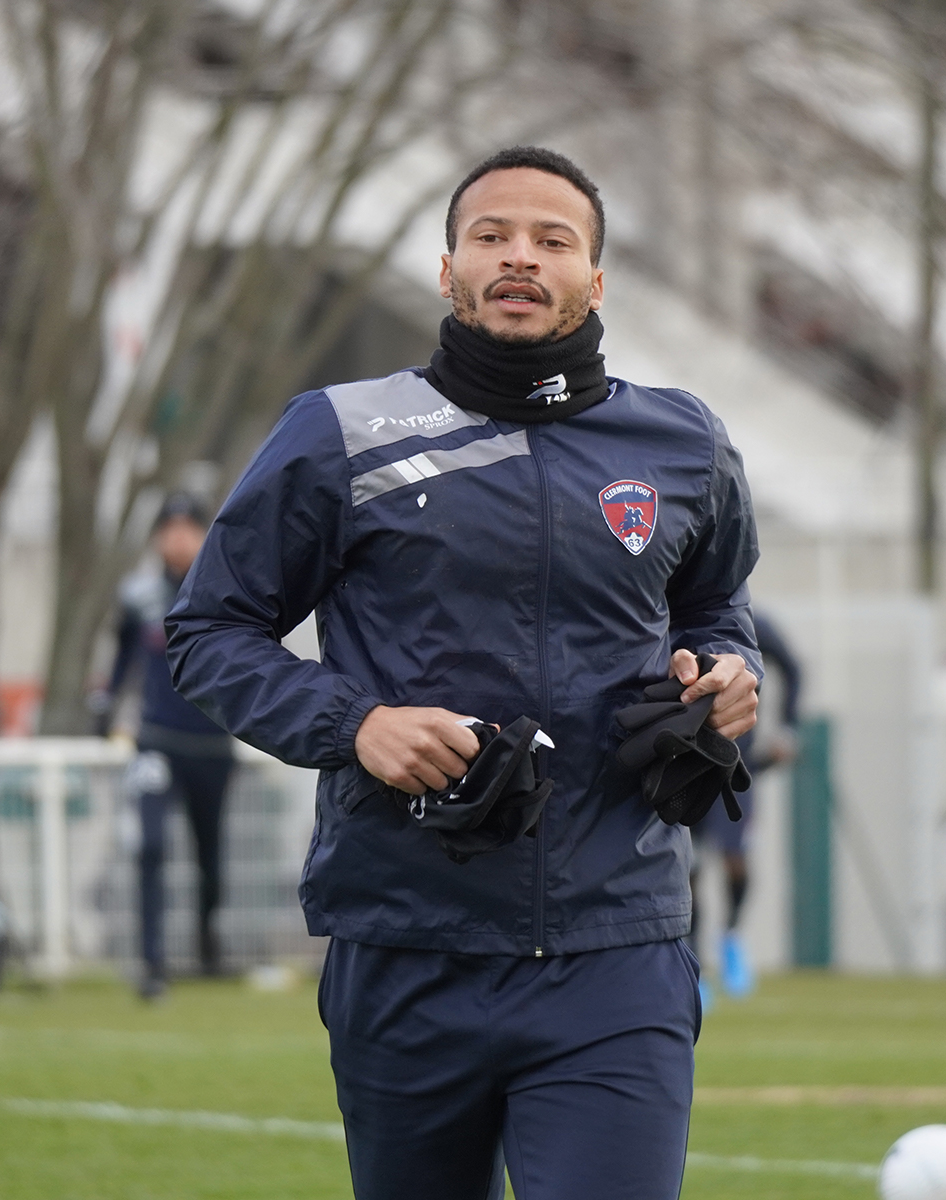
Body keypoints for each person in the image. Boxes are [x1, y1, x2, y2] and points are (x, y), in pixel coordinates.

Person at [166, 146, 761, 1200]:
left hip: (614, 949)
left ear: (595, 279)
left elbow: (716, 609)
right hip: (405, 943)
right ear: (448, 271)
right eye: (490, 236)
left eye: (551, 239)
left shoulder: (681, 442)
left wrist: (726, 671)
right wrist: (354, 723)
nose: (519, 257)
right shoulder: (338, 435)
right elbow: (211, 631)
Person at [93, 492, 236, 997]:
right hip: (155, 741)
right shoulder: (138, 596)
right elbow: (119, 667)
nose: (177, 538)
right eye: (168, 528)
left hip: (213, 745)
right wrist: (104, 709)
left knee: (210, 855)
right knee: (149, 846)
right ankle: (152, 964)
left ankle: (207, 948)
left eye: (187, 527)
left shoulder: (226, 590)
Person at [691, 609, 800, 1000]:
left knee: (735, 859)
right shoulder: (670, 615)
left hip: (737, 765)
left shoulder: (748, 623)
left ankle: (732, 936)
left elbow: (792, 667)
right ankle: (693, 963)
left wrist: (788, 727)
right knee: (688, 867)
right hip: (686, 763)